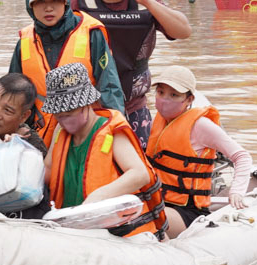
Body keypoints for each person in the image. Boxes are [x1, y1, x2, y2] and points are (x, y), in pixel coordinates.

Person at [18, 63, 166, 237]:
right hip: (75, 226)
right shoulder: (60, 130)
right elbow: (48, 170)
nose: (63, 119)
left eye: (68, 112)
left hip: (115, 229)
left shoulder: (111, 131)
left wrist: (100, 195)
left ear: (86, 104)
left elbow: (140, 174)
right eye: (58, 114)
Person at [71, 0, 192, 149]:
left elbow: (184, 31)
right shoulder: (77, 3)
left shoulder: (143, 0)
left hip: (134, 106)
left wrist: (148, 2)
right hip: (88, 109)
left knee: (141, 169)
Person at [9, 0, 124, 142]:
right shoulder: (24, 41)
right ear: (29, 4)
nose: (48, 8)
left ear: (66, 1)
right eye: (40, 1)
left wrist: (116, 132)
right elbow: (14, 94)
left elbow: (110, 87)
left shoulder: (91, 33)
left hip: (85, 135)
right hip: (40, 137)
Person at [146, 65, 253, 239]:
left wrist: (237, 191)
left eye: (174, 95)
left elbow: (242, 156)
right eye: (160, 92)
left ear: (189, 100)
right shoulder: (157, 121)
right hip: (160, 201)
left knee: (145, 215)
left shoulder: (200, 126)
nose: (165, 99)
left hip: (187, 211)